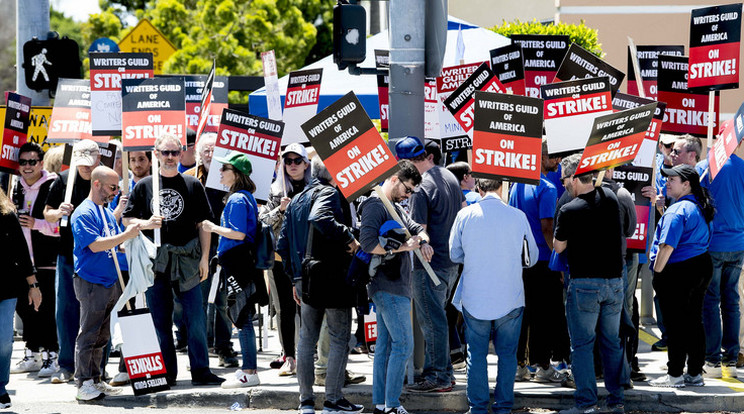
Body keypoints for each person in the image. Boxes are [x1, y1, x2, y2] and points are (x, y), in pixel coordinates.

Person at [123, 133, 224, 386]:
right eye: (165, 152)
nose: (170, 157)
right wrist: (145, 223)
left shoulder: (192, 185)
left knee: (195, 317)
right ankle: (167, 373)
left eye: (174, 152)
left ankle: (201, 371)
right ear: (155, 154)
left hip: (188, 259)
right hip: (156, 261)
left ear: (181, 154)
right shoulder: (144, 185)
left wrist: (204, 258)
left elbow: (204, 224)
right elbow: (127, 219)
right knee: (160, 319)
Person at [277, 156, 363, 414]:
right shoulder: (328, 193)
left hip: (305, 278)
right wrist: (350, 239)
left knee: (306, 340)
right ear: (335, 173)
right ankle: (333, 400)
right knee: (338, 337)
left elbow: (282, 245)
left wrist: (294, 277)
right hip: (331, 275)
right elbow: (320, 217)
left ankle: (306, 401)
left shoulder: (297, 200)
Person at [450, 177, 538, 414]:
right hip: (510, 296)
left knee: (475, 355)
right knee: (507, 355)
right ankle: (503, 406)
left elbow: (454, 253)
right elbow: (533, 257)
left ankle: (477, 407)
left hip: (475, 296)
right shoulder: (517, 216)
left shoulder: (465, 215)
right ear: (502, 187)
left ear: (479, 188)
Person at [554, 154, 625, 414]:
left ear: (575, 177)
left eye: (564, 180)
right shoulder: (611, 200)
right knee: (611, 342)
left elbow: (558, 246)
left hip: (585, 284)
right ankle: (616, 401)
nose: (563, 185)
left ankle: (586, 404)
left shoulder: (569, 209)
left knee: (582, 346)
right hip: (614, 283)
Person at [359, 160, 432, 414]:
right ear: (393, 177)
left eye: (412, 192)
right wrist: (405, 246)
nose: (408, 195)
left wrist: (423, 240)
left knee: (386, 346)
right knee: (404, 345)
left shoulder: (395, 207)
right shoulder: (374, 204)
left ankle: (381, 404)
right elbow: (367, 243)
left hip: (394, 285)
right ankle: (391, 404)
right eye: (407, 189)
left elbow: (416, 229)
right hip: (387, 285)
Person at [395, 135, 464, 393]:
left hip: (429, 265)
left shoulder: (421, 188)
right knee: (439, 320)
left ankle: (438, 377)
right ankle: (444, 372)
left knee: (432, 322)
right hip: (450, 262)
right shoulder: (447, 176)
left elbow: (418, 233)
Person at [70, 166, 141, 401]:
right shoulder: (84, 212)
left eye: (117, 188)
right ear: (97, 184)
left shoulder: (103, 211)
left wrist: (134, 242)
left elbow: (112, 242)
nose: (115, 192)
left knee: (102, 335)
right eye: (112, 187)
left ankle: (96, 379)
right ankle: (83, 383)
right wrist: (125, 236)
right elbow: (96, 244)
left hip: (108, 280)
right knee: (89, 333)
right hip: (91, 281)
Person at [649, 164, 715, 388]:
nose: (666, 182)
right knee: (693, 322)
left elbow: (666, 246)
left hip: (678, 269)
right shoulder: (699, 205)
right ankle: (695, 373)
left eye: (672, 180)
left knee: (676, 325)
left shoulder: (677, 210)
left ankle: (675, 374)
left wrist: (657, 273)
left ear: (686, 184)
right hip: (700, 265)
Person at [202, 152, 263, 389]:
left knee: (242, 317)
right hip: (237, 263)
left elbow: (237, 234)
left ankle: (249, 371)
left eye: (224, 168)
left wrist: (212, 227)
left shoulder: (238, 199)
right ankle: (248, 368)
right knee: (240, 315)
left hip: (238, 264)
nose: (220, 172)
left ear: (236, 173)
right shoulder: (243, 197)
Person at [509, 139, 568, 383]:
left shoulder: (517, 184)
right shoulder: (547, 187)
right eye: (554, 156)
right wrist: (557, 256)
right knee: (545, 315)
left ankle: (520, 365)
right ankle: (543, 366)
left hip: (520, 260)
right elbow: (547, 226)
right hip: (543, 260)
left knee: (523, 314)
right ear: (541, 157)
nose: (558, 161)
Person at [43, 139, 100, 383]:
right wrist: (59, 212)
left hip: (97, 256)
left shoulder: (103, 180)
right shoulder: (63, 181)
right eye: (82, 163)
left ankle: (94, 367)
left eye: (90, 163)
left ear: (98, 159)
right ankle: (66, 365)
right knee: (65, 311)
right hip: (68, 255)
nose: (86, 168)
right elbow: (47, 213)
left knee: (96, 313)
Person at [184, 132, 238, 368]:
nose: (209, 153)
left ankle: (225, 347)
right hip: (197, 248)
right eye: (205, 149)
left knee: (224, 300)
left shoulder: (229, 179)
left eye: (213, 149)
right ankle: (201, 348)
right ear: (197, 153)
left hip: (226, 246)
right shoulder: (189, 178)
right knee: (200, 299)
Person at [260, 142, 311, 375]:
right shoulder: (274, 190)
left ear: (305, 164)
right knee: (285, 309)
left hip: (308, 259)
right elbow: (263, 222)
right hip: (280, 259)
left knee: (309, 307)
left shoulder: (315, 189)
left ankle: (310, 354)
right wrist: (279, 210)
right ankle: (289, 355)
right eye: (287, 161)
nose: (292, 165)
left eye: (297, 161)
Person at [10, 143, 60, 377]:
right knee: (24, 308)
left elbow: (61, 226)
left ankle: (52, 354)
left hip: (46, 259)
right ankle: (32, 352)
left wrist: (37, 224)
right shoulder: (13, 187)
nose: (27, 167)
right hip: (21, 261)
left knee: (46, 308)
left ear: (41, 163)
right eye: (23, 162)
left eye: (32, 162)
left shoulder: (53, 186)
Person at [697, 144, 744, 378]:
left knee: (711, 302)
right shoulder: (742, 167)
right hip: (737, 243)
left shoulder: (705, 168)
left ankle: (713, 362)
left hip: (714, 244)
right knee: (731, 301)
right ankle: (731, 361)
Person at [0, 185, 41, 409]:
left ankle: (0, 387)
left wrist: (33, 285)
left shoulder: (7, 215)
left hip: (5, 288)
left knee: (4, 342)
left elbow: (21, 252)